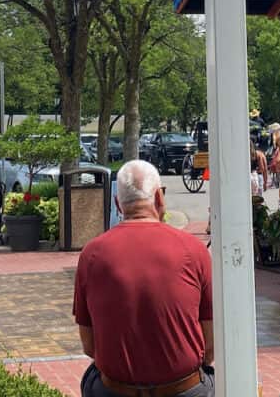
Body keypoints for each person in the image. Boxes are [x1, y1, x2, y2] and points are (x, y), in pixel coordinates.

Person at [74, 160, 214, 397]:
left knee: (92, 379)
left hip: (115, 390)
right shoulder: (193, 249)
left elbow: (89, 345)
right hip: (184, 389)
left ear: (119, 204)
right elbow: (210, 344)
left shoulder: (92, 253)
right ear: (159, 197)